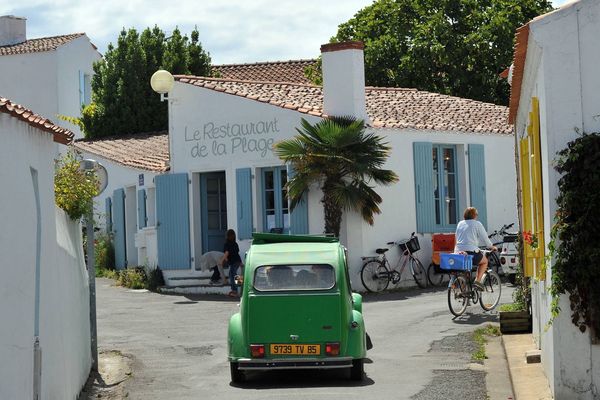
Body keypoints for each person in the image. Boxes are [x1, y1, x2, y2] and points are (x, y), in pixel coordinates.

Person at [454, 207, 497, 290]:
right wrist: (491, 246)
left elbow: (456, 237)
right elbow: (485, 238)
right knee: (484, 262)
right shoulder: (477, 224)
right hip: (470, 251)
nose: (477, 216)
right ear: (474, 215)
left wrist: (455, 250)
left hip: (458, 252)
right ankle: (477, 282)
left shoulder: (460, 223)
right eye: (476, 214)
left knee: (465, 269)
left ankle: (463, 291)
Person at [222, 229, 243, 297]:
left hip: (234, 262)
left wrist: (223, 260)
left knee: (232, 274)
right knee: (234, 274)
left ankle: (235, 290)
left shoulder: (227, 244)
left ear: (227, 236)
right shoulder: (235, 244)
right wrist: (241, 263)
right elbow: (237, 254)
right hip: (237, 261)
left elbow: (226, 253)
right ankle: (238, 288)